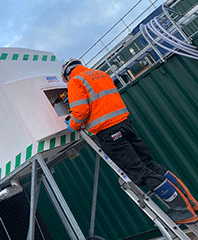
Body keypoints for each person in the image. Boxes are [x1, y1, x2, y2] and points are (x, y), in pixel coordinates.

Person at [61, 58, 198, 224]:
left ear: (67, 74)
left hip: (108, 132)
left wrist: (73, 125)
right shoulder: (100, 74)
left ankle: (183, 211)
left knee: (141, 171)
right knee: (150, 165)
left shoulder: (75, 81)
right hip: (125, 125)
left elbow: (81, 112)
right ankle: (190, 204)